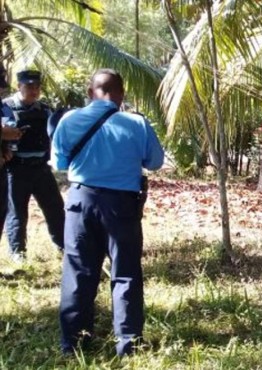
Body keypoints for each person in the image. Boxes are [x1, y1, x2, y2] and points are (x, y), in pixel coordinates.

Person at [52, 68, 164, 356]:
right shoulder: (137, 123)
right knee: (125, 272)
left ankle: (73, 343)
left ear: (90, 93)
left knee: (78, 270)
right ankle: (128, 344)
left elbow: (60, 163)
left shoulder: (69, 120)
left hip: (81, 201)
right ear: (122, 94)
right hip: (122, 205)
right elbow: (154, 162)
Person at [1, 70, 65, 262]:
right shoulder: (5, 108)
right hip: (16, 168)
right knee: (17, 212)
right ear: (19, 86)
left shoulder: (44, 110)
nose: (34, 91)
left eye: (37, 87)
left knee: (54, 208)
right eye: (29, 87)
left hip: (40, 168)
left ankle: (63, 246)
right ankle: (17, 253)